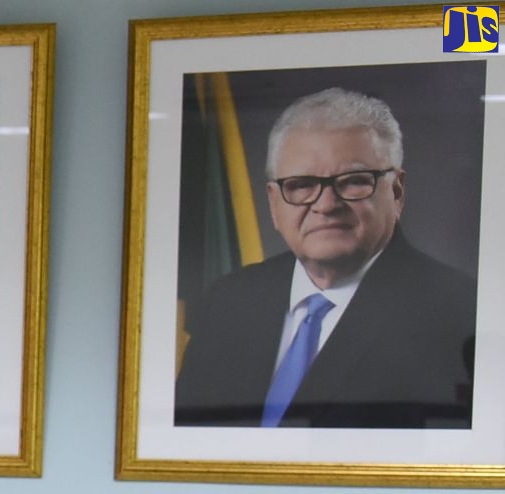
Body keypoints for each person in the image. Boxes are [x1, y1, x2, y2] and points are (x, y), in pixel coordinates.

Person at [175, 87, 477, 428]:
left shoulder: (464, 314)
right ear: (274, 203)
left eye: (352, 181)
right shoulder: (228, 300)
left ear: (396, 192)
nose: (326, 204)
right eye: (301, 184)